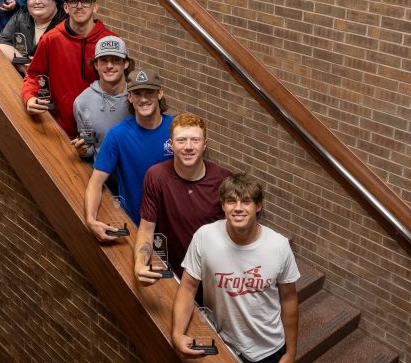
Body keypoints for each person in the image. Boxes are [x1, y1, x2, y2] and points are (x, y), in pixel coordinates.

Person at [172, 173, 300, 363]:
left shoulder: (279, 246)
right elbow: (188, 288)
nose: (238, 208)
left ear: (258, 206)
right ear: (223, 205)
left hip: (269, 350)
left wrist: (290, 353)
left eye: (246, 201)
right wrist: (177, 334)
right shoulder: (205, 237)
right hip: (222, 343)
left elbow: (289, 299)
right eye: (231, 201)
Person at [134, 113, 230, 284]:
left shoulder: (223, 180)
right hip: (173, 274)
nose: (188, 147)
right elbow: (146, 229)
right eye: (181, 140)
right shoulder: (156, 176)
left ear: (204, 145)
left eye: (195, 140)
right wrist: (140, 264)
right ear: (171, 145)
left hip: (213, 276)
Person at [84, 69, 173, 238]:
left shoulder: (176, 129)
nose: (144, 99)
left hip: (173, 225)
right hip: (136, 227)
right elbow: (95, 182)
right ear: (130, 97)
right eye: (137, 94)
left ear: (160, 93)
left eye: (149, 93)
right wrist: (90, 219)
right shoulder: (117, 135)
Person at [22, 0, 116, 137]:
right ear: (65, 7)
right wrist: (29, 97)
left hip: (102, 131)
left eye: (85, 1)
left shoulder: (110, 41)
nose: (79, 6)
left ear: (95, 7)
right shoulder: (50, 39)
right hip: (61, 130)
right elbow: (33, 75)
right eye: (73, 1)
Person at [70, 36, 133, 163]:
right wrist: (83, 150)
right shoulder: (82, 102)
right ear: (96, 64)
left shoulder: (139, 97)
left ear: (125, 63)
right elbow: (90, 147)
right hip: (104, 176)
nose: (109, 66)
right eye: (103, 60)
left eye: (116, 60)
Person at [0, 0, 67, 72]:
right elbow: (2, 42)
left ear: (56, 1)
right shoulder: (21, 15)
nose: (37, 2)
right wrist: (24, 65)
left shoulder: (66, 23)